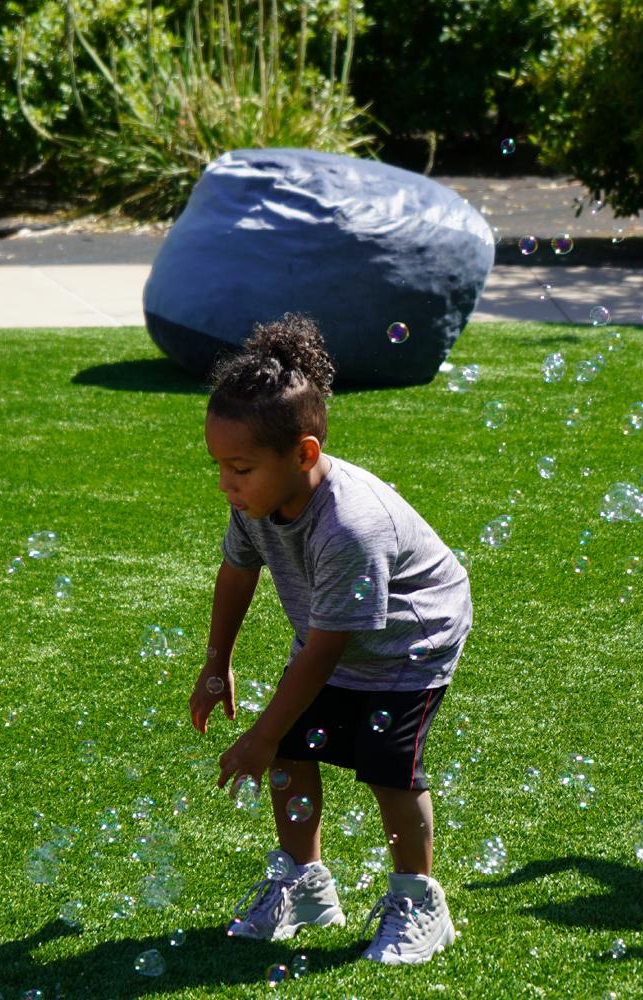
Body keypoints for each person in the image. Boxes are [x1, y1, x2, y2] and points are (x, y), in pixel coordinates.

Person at [190, 314, 472, 963]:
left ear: (305, 454)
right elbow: (236, 573)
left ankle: (419, 901)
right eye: (219, 465)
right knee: (293, 745)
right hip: (332, 626)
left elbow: (325, 652)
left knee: (387, 765)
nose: (226, 484)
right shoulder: (256, 503)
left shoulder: (351, 526)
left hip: (412, 636)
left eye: (240, 467)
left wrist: (259, 735)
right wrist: (217, 662)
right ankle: (305, 883)